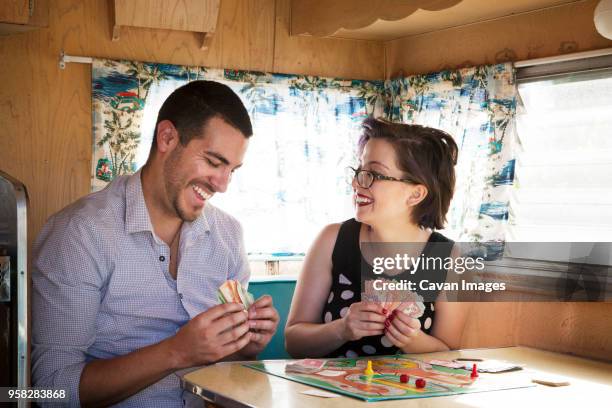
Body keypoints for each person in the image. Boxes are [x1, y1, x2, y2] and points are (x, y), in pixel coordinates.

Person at [32, 81, 279, 406]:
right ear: (167, 138)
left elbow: (230, 369)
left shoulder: (228, 236)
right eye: (214, 162)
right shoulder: (80, 234)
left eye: (232, 170)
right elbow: (50, 391)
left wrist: (247, 342)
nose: (222, 185)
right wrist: (176, 351)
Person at [285, 117, 468, 358]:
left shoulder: (451, 259)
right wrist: (341, 329)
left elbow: (449, 354)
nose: (357, 183)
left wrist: (413, 339)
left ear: (416, 194)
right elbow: (293, 343)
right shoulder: (331, 240)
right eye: (360, 171)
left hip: (410, 395)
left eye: (374, 174)